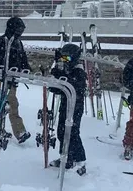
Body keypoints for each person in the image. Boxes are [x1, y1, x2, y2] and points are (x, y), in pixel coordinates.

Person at [0, 16, 31, 144]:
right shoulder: (2, 42)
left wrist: (27, 69)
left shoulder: (17, 43)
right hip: (3, 79)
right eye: (18, 29)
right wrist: (1, 72)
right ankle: (19, 131)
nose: (20, 32)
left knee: (5, 106)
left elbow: (22, 59)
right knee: (12, 104)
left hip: (12, 78)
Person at [49, 43, 88, 173]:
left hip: (75, 106)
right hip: (65, 104)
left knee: (72, 132)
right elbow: (60, 87)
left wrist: (60, 75)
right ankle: (65, 157)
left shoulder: (79, 71)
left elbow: (72, 84)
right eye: (63, 58)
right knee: (61, 131)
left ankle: (78, 159)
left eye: (68, 59)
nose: (65, 61)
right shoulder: (68, 68)